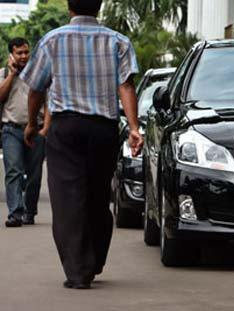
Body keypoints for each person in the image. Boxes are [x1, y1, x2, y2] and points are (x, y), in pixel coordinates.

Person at [21, 0, 143, 289]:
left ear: (69, 7)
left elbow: (36, 88)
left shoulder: (53, 40)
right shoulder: (118, 41)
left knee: (67, 200)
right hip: (103, 128)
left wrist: (31, 123)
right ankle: (95, 259)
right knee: (98, 195)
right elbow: (126, 86)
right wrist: (134, 127)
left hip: (66, 127)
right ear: (98, 7)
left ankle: (79, 271)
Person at [0, 38, 48, 227]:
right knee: (13, 171)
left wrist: (45, 129)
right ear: (11, 54)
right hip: (11, 129)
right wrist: (11, 75)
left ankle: (29, 211)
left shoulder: (38, 74)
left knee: (34, 175)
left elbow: (48, 104)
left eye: (26, 52)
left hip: (36, 130)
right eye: (19, 53)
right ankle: (15, 213)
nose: (23, 56)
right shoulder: (4, 73)